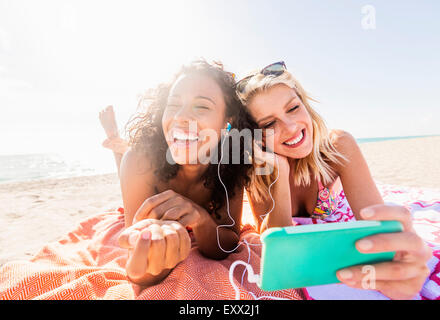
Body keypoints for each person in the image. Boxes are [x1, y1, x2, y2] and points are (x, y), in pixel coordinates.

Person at [236, 61, 432, 299]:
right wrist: (279, 173)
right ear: (256, 137)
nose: (290, 127)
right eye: (268, 124)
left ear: (305, 104)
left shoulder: (337, 147)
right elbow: (278, 251)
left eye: (293, 108)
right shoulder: (258, 171)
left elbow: (381, 235)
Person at [100, 60, 254, 288]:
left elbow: (229, 242)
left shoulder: (230, 165)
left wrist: (200, 219)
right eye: (173, 106)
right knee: (126, 159)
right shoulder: (140, 160)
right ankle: (115, 141)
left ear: (226, 123)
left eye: (201, 107)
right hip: (135, 179)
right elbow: (140, 268)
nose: (180, 117)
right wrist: (145, 265)